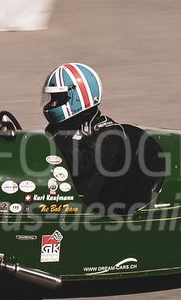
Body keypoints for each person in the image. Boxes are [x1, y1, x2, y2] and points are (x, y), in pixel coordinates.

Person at [42, 63, 129, 212]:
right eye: (52, 98)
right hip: (54, 196)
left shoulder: (109, 134)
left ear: (77, 98)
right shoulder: (59, 128)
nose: (53, 103)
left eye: (58, 97)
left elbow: (77, 164)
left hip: (83, 210)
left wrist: (43, 148)